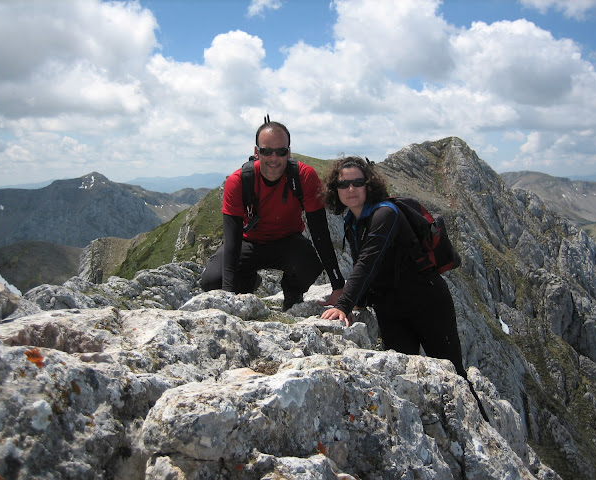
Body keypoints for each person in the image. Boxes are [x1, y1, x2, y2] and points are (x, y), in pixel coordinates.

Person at [319, 156, 489, 421]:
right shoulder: (352, 222)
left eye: (357, 182)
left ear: (368, 185)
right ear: (335, 189)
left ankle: (481, 429)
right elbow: (366, 265)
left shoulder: (385, 214)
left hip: (428, 304)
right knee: (405, 378)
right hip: (391, 310)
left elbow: (367, 260)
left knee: (454, 374)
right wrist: (358, 300)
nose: (350, 189)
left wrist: (344, 304)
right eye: (343, 184)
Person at [201, 118, 345, 311]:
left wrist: (338, 286)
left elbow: (320, 234)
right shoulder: (237, 181)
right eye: (267, 151)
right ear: (256, 152)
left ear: (289, 152)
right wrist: (228, 295)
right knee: (212, 281)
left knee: (310, 262)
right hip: (248, 242)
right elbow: (232, 241)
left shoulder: (304, 176)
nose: (274, 158)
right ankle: (247, 283)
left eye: (281, 151)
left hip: (287, 241)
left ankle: (292, 296)